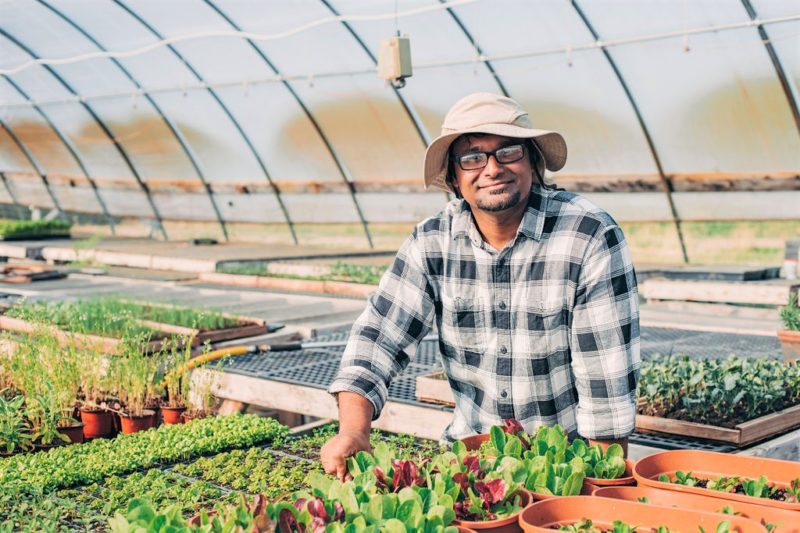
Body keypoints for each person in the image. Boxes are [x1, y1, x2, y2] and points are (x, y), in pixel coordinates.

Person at [321, 92, 640, 480]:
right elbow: (377, 338)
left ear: (532, 162)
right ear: (455, 178)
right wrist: (353, 431)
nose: (492, 168)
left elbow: (605, 384)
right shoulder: (432, 242)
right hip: (469, 466)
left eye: (508, 152)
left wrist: (600, 489)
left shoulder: (587, 236)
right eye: (472, 157)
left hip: (565, 469)